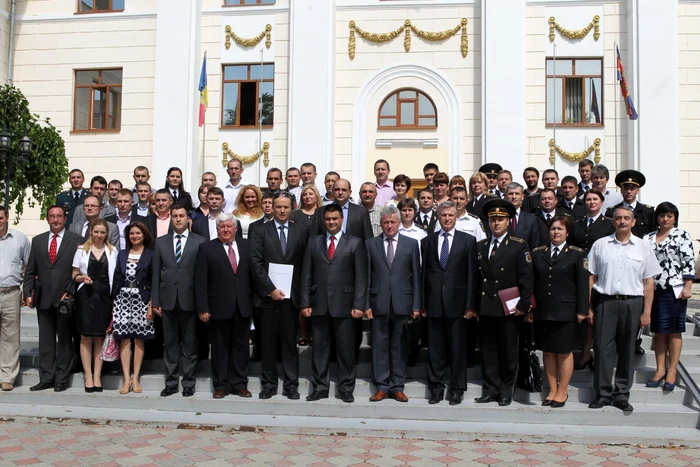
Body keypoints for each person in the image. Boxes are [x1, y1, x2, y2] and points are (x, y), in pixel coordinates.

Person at [587, 206, 662, 412]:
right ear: (613, 222)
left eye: (626, 218)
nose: (622, 221)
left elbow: (648, 282)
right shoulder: (600, 245)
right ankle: (602, 393)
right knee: (602, 349)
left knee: (627, 349)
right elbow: (591, 277)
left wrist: (647, 312)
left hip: (632, 303)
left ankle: (621, 394)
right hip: (606, 302)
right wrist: (589, 307)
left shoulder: (643, 247)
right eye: (618, 218)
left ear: (633, 222)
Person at [301, 204, 367, 403]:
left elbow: (361, 277)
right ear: (324, 220)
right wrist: (305, 302)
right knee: (320, 350)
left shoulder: (355, 243)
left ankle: (345, 388)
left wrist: (359, 304)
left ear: (342, 220)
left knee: (346, 350)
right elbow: (306, 275)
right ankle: (320, 387)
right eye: (328, 219)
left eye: (335, 219)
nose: (331, 222)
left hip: (346, 306)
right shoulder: (313, 242)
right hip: (319, 304)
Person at [475, 199, 534, 407]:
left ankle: (506, 391)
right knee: (488, 351)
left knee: (509, 352)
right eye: (493, 220)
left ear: (508, 221)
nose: (496, 223)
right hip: (487, 306)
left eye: (500, 219)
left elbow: (526, 277)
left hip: (509, 308)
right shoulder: (481, 246)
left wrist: (524, 305)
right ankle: (490, 389)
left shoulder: (518, 245)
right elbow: (476, 278)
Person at [250, 193, 308, 400]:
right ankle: (269, 384)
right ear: (272, 207)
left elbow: (305, 264)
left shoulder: (301, 231)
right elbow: (255, 263)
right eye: (278, 207)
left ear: (292, 207)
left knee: (289, 344)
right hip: (267, 298)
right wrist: (270, 289)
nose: (282, 211)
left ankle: (291, 384)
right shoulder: (259, 231)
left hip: (291, 298)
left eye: (286, 207)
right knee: (267, 343)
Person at [421, 201, 478, 405]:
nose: (447, 218)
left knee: (457, 349)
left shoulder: (468, 241)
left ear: (456, 217)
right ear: (438, 216)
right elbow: (423, 275)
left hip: (458, 304)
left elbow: (472, 275)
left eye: (451, 215)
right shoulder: (427, 242)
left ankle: (457, 388)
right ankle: (435, 388)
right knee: (435, 350)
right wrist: (422, 303)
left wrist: (471, 305)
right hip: (433, 303)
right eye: (443, 215)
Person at [527, 216, 588, 408]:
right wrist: (530, 308)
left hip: (566, 310)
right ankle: (552, 389)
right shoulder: (538, 253)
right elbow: (531, 283)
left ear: (567, 232)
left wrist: (582, 310)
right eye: (553, 229)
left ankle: (563, 390)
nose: (556, 232)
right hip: (543, 310)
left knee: (563, 351)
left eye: (560, 229)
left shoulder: (577, 254)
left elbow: (583, 285)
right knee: (548, 351)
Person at [23, 205, 83, 392]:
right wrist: (27, 293)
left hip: (66, 298)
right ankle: (46, 377)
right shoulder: (38, 240)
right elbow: (30, 270)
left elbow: (80, 270)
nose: (55, 220)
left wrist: (71, 291)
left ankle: (61, 379)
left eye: (59, 216)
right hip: (43, 299)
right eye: (52, 216)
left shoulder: (77, 240)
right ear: (47, 219)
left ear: (65, 219)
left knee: (65, 341)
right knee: (46, 341)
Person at [195, 213, 254, 399]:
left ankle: (239, 384)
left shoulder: (247, 246)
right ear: (217, 229)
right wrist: (203, 307)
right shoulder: (206, 248)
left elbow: (254, 275)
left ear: (236, 229)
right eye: (222, 227)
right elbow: (200, 281)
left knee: (241, 347)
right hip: (217, 307)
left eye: (229, 227)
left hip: (243, 306)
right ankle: (220, 385)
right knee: (220, 349)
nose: (226, 230)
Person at [366, 206, 421, 403]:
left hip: (402, 303)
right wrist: (366, 304)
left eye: (393, 222)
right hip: (378, 302)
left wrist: (416, 305)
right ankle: (382, 386)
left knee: (398, 346)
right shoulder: (371, 244)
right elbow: (366, 277)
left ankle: (397, 386)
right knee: (380, 347)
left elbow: (416, 277)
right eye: (386, 222)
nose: (389, 226)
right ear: (381, 224)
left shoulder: (411, 244)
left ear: (399, 223)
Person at [152, 205, 206, 398]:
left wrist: (202, 303)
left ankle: (188, 382)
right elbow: (156, 273)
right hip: (167, 300)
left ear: (188, 218)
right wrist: (155, 300)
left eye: (181, 216)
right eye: (174, 216)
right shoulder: (160, 242)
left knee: (190, 344)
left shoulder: (200, 242)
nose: (178, 219)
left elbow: (202, 275)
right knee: (171, 344)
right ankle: (171, 382)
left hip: (189, 300)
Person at [643, 202, 695, 392]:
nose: (665, 219)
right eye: (662, 215)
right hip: (653, 289)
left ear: (675, 218)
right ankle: (659, 369)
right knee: (659, 331)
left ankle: (672, 370)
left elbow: (688, 261)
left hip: (675, 289)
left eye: (669, 216)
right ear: (656, 217)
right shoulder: (647, 238)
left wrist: (688, 286)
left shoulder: (681, 235)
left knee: (673, 330)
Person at [569, 189, 615, 370]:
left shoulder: (609, 224)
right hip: (581, 276)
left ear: (602, 202)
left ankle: (601, 357)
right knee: (586, 317)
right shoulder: (577, 223)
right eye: (588, 199)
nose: (591, 202)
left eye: (595, 199)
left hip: (603, 275)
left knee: (601, 318)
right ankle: (585, 354)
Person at [71, 219, 118, 393]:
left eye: (102, 232)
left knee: (100, 336)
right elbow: (74, 274)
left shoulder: (113, 251)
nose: (99, 235)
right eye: (96, 232)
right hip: (86, 296)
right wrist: (83, 278)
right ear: (91, 232)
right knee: (85, 336)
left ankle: (97, 375)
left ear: (106, 234)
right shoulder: (81, 250)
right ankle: (88, 375)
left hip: (105, 297)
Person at [111, 221, 155, 395]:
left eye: (137, 233)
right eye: (131, 234)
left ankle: (135, 377)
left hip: (141, 301)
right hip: (122, 299)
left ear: (144, 235)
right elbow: (116, 278)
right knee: (124, 339)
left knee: (138, 340)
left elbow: (153, 281)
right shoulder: (122, 254)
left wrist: (151, 304)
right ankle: (126, 378)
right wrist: (113, 302)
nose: (134, 236)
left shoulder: (151, 254)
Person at [0, 206, 30, 391]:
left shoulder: (19, 238)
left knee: (10, 337)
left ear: (6, 217)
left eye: (1, 217)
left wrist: (25, 292)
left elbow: (29, 265)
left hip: (11, 293)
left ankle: (7, 377)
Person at [605, 170, 656, 238]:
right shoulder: (611, 212)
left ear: (637, 191)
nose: (629, 191)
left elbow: (653, 234)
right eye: (626, 188)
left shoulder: (648, 212)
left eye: (632, 189)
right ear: (621, 190)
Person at [504, 182, 546, 249]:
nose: (514, 197)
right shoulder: (499, 218)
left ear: (522, 197)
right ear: (505, 196)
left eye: (517, 194)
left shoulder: (531, 219)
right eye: (511, 194)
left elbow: (535, 245)